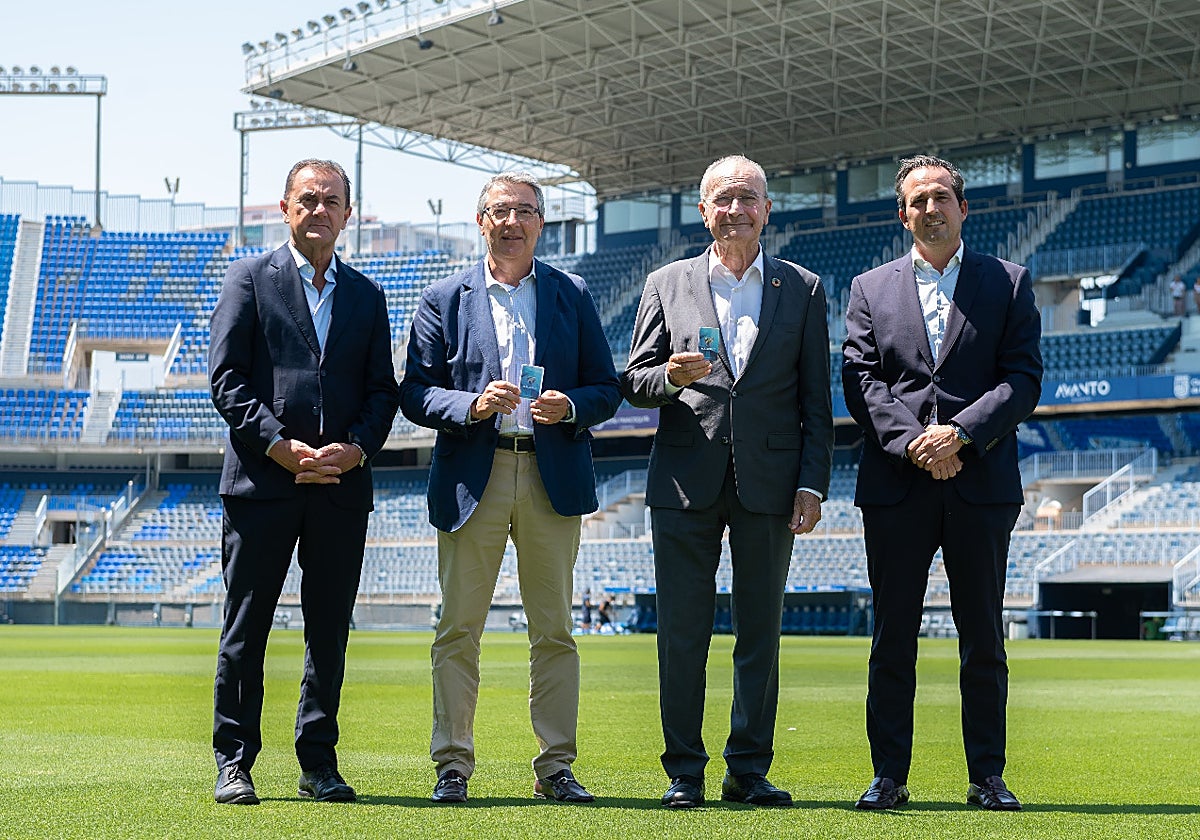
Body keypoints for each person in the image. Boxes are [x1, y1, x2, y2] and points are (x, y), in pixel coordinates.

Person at [400, 171, 622, 805]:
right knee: (457, 629)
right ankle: (452, 765)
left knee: (554, 631)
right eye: (501, 211)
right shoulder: (444, 297)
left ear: (541, 224)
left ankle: (556, 767)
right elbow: (413, 391)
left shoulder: (571, 292)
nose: (513, 221)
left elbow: (606, 387)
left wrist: (569, 405)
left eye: (525, 211)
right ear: (481, 222)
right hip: (476, 471)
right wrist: (470, 405)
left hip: (552, 474)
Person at [621, 155, 834, 809]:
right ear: (703, 210)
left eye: (747, 198)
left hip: (771, 482)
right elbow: (634, 379)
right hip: (684, 481)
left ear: (767, 209)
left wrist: (812, 484)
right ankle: (684, 770)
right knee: (681, 633)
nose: (735, 209)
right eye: (723, 198)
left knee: (759, 633)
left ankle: (747, 768)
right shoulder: (666, 282)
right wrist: (670, 377)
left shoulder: (803, 287)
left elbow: (816, 399)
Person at [842, 155, 1042, 812]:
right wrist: (915, 444)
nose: (931, 209)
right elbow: (861, 381)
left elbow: (1023, 379)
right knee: (891, 637)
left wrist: (958, 434)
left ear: (963, 207)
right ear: (903, 214)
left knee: (982, 636)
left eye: (941, 197)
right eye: (918, 200)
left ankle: (987, 776)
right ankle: (887, 776)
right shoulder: (870, 288)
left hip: (980, 482)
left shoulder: (1008, 282)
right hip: (897, 484)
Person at [208, 158, 400, 806]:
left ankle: (318, 762)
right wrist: (277, 445)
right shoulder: (247, 278)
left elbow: (382, 391)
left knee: (329, 632)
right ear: (285, 207)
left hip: (340, 488)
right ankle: (235, 762)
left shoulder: (368, 296)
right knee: (246, 630)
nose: (320, 210)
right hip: (261, 486)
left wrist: (356, 449)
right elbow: (226, 380)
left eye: (331, 201)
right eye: (308, 199)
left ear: (348, 213)